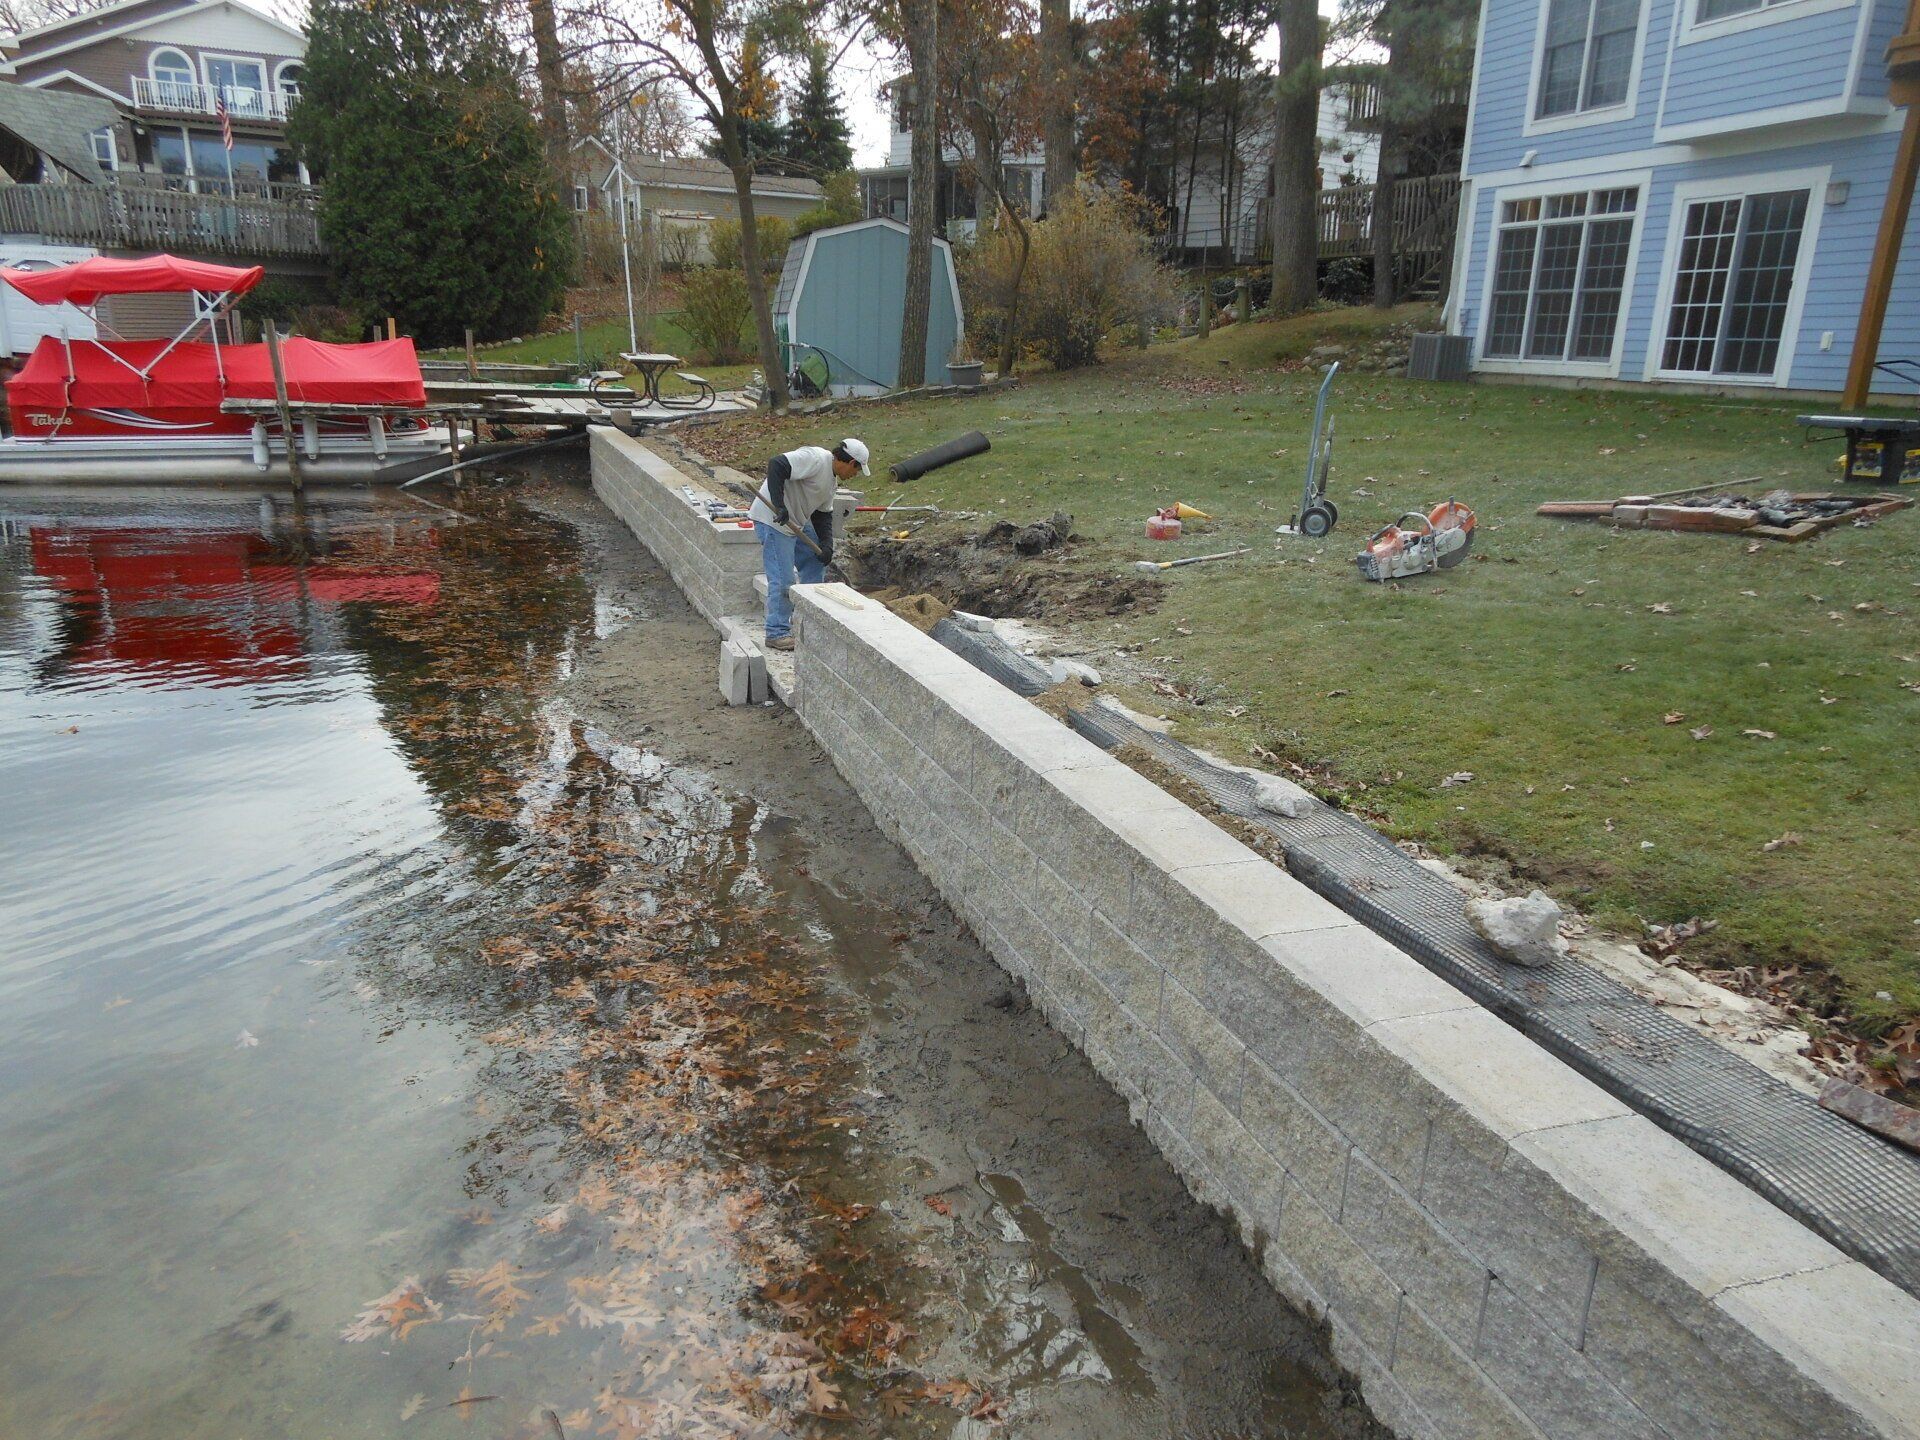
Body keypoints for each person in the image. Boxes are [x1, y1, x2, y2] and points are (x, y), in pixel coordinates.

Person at [750, 436, 869, 651]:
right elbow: (777, 464)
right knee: (784, 580)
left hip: (794, 522)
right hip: (773, 520)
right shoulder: (815, 458)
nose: (855, 475)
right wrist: (779, 505)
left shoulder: (831, 483)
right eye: (857, 470)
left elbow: (823, 516)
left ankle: (807, 620)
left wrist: (826, 545)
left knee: (816, 561)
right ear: (851, 462)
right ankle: (776, 632)